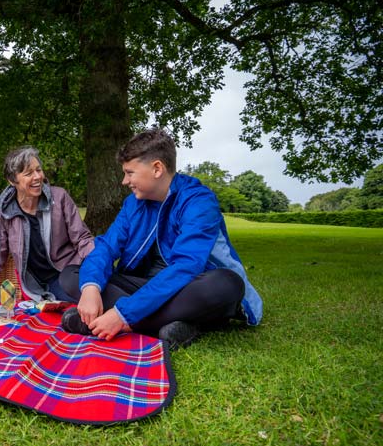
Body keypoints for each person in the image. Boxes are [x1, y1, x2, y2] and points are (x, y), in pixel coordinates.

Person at [60, 128, 263, 349]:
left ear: (157, 168)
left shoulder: (199, 201)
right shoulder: (133, 204)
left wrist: (122, 314)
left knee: (227, 284)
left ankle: (122, 322)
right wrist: (90, 289)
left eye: (130, 173)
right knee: (72, 275)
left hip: (189, 285)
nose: (124, 181)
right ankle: (179, 325)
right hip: (145, 286)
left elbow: (187, 266)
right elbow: (107, 246)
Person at [0, 146, 94, 302]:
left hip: (70, 270)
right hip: (39, 282)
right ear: (12, 180)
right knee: (85, 296)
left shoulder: (59, 197)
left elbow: (82, 238)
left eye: (39, 170)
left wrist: (99, 261)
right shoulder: (3, 212)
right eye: (28, 173)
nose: (37, 177)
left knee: (97, 290)